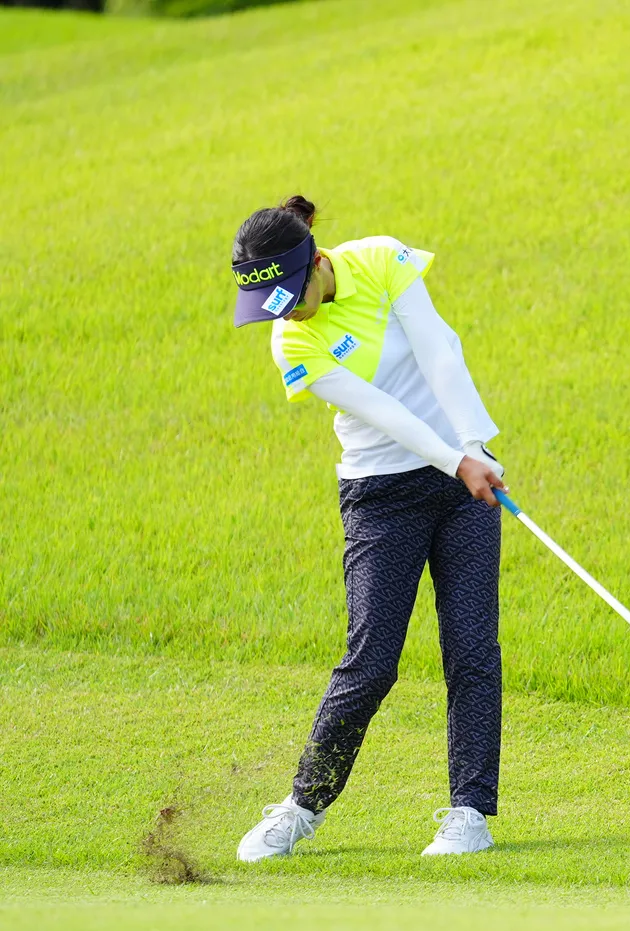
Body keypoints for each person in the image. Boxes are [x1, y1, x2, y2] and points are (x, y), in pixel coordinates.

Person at [228, 195, 507, 861]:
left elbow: (440, 350)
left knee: (472, 651)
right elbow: (383, 411)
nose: (284, 315)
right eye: (270, 307)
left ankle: (470, 813)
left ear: (316, 263)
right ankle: (303, 805)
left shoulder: (381, 259)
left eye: (289, 297)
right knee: (372, 662)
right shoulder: (292, 342)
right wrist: (457, 459)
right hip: (381, 497)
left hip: (464, 480)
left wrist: (473, 443)